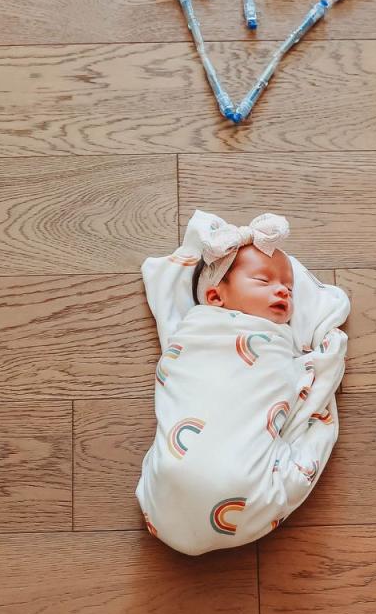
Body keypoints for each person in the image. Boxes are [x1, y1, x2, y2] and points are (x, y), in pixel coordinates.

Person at [136, 210, 350, 555]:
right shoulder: (202, 330)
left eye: (290, 287)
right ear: (216, 298)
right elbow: (182, 375)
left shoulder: (278, 343)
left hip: (239, 486)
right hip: (183, 474)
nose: (282, 290)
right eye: (263, 282)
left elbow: (274, 387)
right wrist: (315, 367)